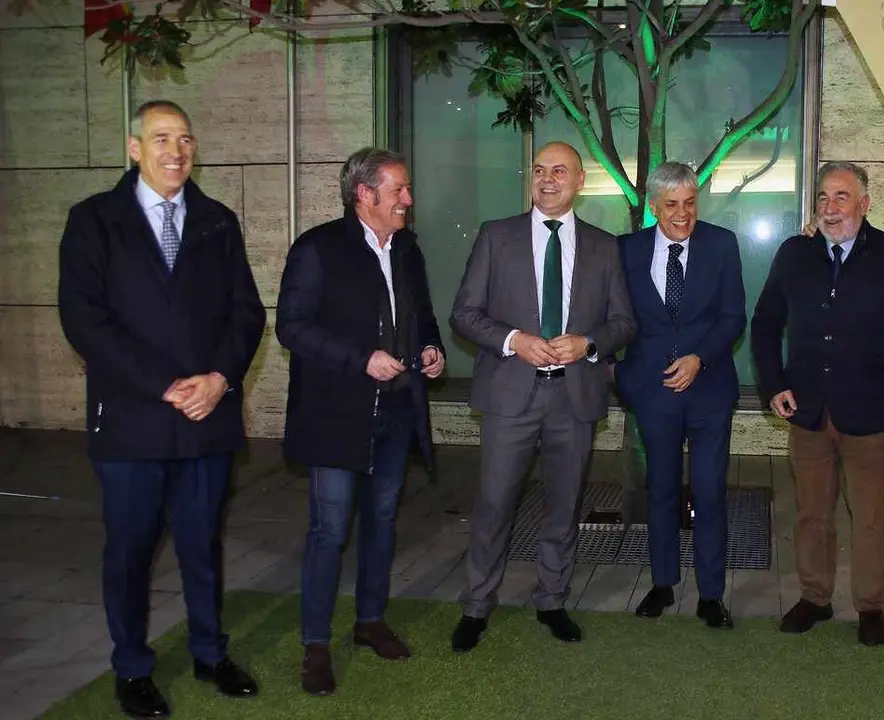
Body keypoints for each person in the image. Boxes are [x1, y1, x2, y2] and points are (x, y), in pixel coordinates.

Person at [57, 100, 264, 718]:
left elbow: (246, 313)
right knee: (130, 550)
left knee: (203, 544)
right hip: (133, 420)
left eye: (185, 140)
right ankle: (132, 666)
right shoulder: (94, 220)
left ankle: (209, 653)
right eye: (162, 138)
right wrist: (167, 385)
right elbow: (84, 320)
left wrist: (221, 379)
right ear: (134, 148)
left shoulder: (218, 221)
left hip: (209, 418)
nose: (176, 151)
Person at [448, 141, 636, 651]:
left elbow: (623, 322)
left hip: (572, 400)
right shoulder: (497, 237)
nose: (547, 179)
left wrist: (588, 344)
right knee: (493, 503)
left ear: (579, 182)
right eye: (538, 170)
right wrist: (514, 341)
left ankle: (551, 598)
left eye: (559, 171)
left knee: (564, 504)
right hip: (510, 396)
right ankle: (477, 603)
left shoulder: (604, 246)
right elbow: (464, 313)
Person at [275, 147, 445, 695]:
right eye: (398, 190)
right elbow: (292, 327)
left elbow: (422, 314)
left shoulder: (408, 248)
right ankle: (316, 645)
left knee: (383, 521)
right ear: (364, 195)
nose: (408, 200)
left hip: (397, 411)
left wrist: (432, 347)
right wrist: (360, 357)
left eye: (407, 189)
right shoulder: (318, 248)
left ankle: (370, 622)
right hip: (337, 417)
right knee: (329, 530)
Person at [752, 162, 884, 645]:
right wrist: (773, 385)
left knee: (871, 517)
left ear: (865, 205)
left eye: (842, 198)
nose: (830, 208)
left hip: (871, 415)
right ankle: (815, 597)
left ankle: (871, 606)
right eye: (823, 198)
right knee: (811, 514)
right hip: (807, 412)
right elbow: (765, 324)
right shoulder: (795, 253)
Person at [615, 162, 746, 629]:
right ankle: (663, 583)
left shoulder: (721, 244)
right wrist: (617, 372)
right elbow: (614, 316)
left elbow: (733, 317)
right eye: (671, 205)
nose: (682, 213)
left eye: (690, 203)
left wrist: (699, 358)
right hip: (653, 395)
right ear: (654, 207)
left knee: (710, 492)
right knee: (662, 490)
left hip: (708, 391)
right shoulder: (626, 250)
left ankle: (711, 594)